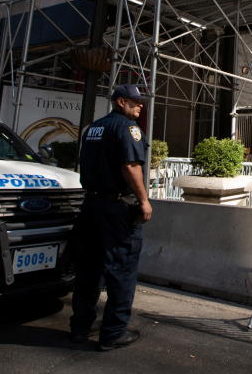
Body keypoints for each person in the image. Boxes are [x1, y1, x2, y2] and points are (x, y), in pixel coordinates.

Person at [70, 84, 153, 351]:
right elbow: (130, 166)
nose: (140, 106)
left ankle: (80, 326)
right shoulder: (127, 129)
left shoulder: (93, 128)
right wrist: (143, 200)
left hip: (91, 205)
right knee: (121, 269)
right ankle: (114, 332)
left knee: (89, 269)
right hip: (116, 207)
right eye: (135, 102)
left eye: (141, 102)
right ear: (120, 102)